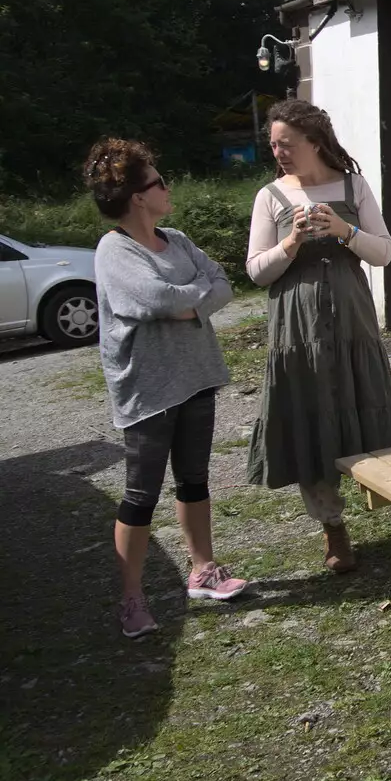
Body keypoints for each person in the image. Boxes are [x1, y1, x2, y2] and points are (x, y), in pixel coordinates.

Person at [86, 138, 249, 639]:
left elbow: (223, 282)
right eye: (158, 181)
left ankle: (203, 570)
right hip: (148, 390)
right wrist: (193, 298)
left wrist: (187, 302)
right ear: (138, 195)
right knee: (140, 495)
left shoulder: (175, 239)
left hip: (197, 376)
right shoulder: (115, 250)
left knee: (194, 479)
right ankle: (131, 597)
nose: (166, 187)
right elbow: (154, 298)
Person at [246, 99, 391, 573]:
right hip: (296, 328)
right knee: (311, 413)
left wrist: (344, 230)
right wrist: (291, 241)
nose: (278, 152)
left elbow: (383, 253)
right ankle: (333, 528)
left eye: (287, 144)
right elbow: (256, 272)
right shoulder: (271, 196)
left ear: (315, 142)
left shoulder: (352, 185)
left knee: (368, 404)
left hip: (350, 320)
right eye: (274, 144)